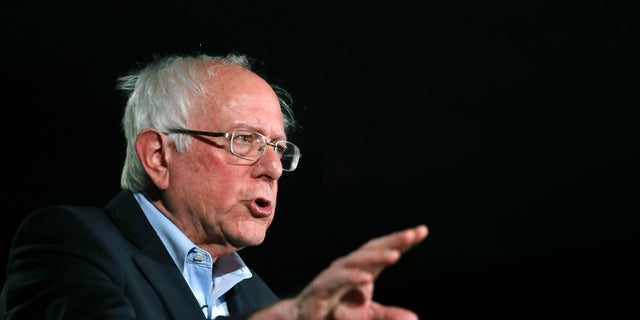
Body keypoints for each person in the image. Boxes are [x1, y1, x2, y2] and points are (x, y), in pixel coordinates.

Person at [0, 52, 428, 320]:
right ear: (158, 156)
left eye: (278, 147)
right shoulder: (69, 244)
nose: (273, 169)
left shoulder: (259, 297)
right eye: (245, 140)